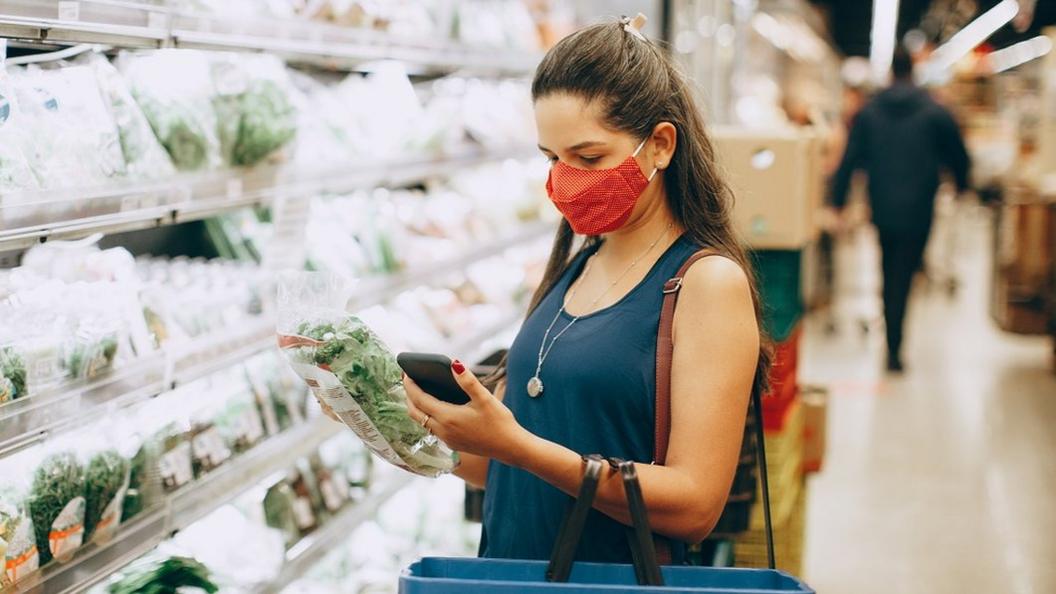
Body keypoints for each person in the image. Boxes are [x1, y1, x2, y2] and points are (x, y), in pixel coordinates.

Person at [397, 17, 770, 565]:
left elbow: (694, 506)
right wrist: (384, 414)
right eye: (551, 158)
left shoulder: (704, 283)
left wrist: (519, 446)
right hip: (509, 574)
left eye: (588, 158)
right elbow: (500, 464)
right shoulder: (577, 266)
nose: (564, 179)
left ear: (661, 145)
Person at [830, 48, 970, 373]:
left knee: (888, 269)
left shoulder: (869, 111)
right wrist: (962, 185)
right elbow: (959, 155)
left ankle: (892, 341)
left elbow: (849, 158)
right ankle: (895, 345)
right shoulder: (934, 111)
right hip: (920, 207)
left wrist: (838, 200)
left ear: (891, 71)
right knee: (905, 272)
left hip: (882, 205)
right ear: (914, 70)